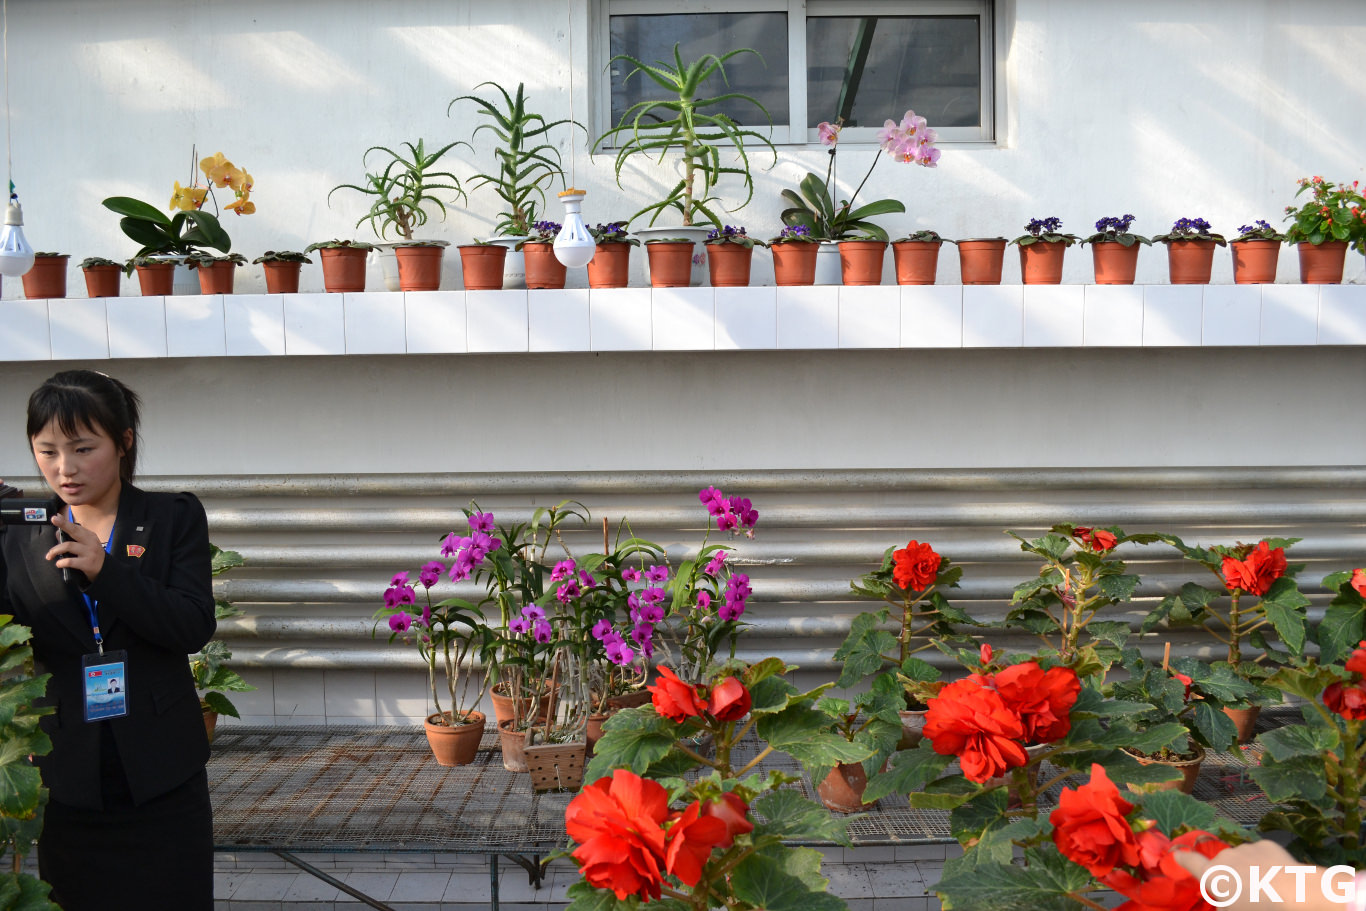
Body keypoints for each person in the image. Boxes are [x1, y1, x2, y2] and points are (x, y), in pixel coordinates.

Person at [0, 369, 216, 910]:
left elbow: (191, 624)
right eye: (46, 451)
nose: (64, 469)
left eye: (82, 448)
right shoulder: (21, 532)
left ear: (123, 443)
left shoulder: (172, 517)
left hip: (163, 772)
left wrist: (107, 570)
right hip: (67, 772)